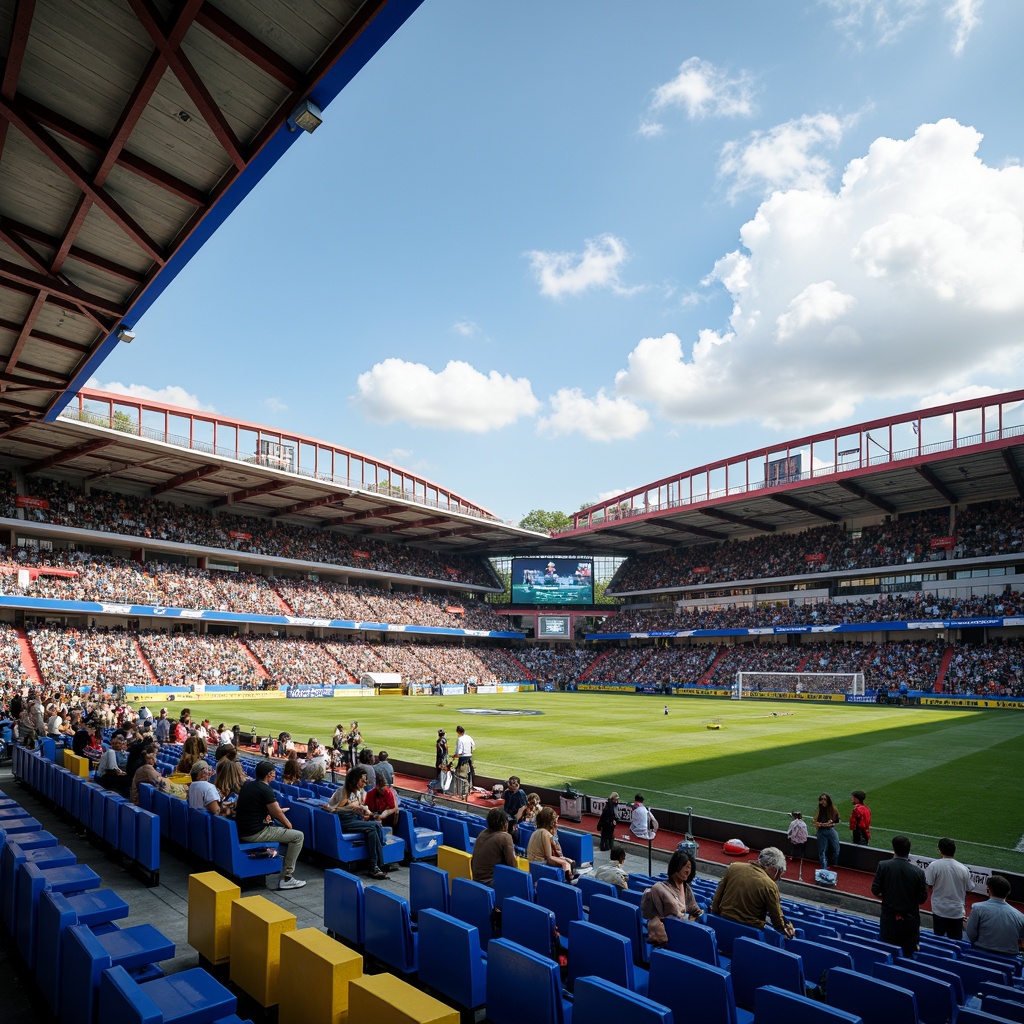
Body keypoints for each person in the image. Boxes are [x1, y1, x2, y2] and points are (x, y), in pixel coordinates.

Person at [235, 760, 306, 889]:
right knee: (298, 836)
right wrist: (289, 826)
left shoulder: (248, 785)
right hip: (255, 832)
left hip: (244, 830)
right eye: (273, 773)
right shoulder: (265, 789)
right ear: (269, 774)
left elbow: (262, 807)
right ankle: (287, 877)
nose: (274, 775)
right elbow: (277, 813)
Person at [712, 846, 796, 938]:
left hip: (722, 925)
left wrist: (715, 917)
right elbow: (776, 919)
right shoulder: (770, 885)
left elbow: (717, 898)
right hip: (749, 934)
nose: (777, 878)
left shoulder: (734, 867)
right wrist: (786, 932)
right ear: (776, 869)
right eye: (779, 875)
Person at [325, 766, 391, 879]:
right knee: (375, 826)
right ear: (355, 780)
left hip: (354, 820)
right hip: (343, 822)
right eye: (362, 780)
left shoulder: (359, 792)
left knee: (373, 829)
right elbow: (334, 809)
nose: (365, 782)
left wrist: (362, 811)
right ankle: (378, 863)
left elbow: (359, 809)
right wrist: (352, 808)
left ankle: (375, 865)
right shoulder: (343, 792)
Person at [871, 835, 927, 956]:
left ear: (894, 849)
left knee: (887, 951)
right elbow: (922, 898)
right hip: (910, 922)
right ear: (908, 851)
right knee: (908, 954)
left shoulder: (883, 865)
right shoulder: (919, 872)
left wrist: (889, 896)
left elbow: (875, 890)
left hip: (889, 919)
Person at [642, 849, 703, 945]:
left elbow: (695, 911)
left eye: (690, 868)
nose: (688, 871)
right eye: (685, 867)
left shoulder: (687, 889)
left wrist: (692, 918)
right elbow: (657, 917)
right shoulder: (659, 888)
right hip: (667, 937)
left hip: (685, 932)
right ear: (676, 866)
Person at [965, 874, 1024, 956]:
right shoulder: (1020, 916)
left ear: (988, 890)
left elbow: (971, 935)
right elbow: (1020, 941)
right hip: (1010, 960)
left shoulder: (977, 908)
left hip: (981, 954)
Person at [925, 837, 971, 939]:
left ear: (940, 850)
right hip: (956, 910)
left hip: (939, 909)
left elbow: (929, 882)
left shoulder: (934, 865)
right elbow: (970, 887)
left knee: (939, 939)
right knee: (955, 940)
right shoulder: (963, 868)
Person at [471, 806, 517, 886]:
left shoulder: (482, 833)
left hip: (475, 880)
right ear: (503, 824)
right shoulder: (505, 837)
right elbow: (513, 866)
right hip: (490, 883)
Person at [526, 807, 575, 878]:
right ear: (551, 822)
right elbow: (549, 858)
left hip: (532, 864)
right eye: (555, 821)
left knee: (568, 861)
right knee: (567, 863)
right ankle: (569, 878)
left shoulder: (536, 832)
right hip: (539, 864)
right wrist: (563, 862)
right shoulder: (546, 834)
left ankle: (569, 874)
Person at [814, 793, 841, 870]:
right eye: (821, 799)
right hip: (821, 831)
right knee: (822, 852)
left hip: (831, 830)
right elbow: (815, 822)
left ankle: (833, 865)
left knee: (836, 850)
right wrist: (821, 824)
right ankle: (824, 868)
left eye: (824, 799)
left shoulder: (833, 810)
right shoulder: (819, 810)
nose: (823, 801)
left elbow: (837, 820)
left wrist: (831, 823)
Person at [502, 776, 527, 840]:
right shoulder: (507, 792)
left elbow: (523, 807)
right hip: (508, 816)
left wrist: (517, 819)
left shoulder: (520, 793)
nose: (510, 785)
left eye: (513, 783)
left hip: (514, 818)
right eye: (510, 783)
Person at [454, 725, 475, 799]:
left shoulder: (460, 739)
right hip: (470, 757)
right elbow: (473, 746)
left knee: (461, 775)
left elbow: (459, 751)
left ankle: (463, 793)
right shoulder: (469, 737)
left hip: (463, 758)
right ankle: (466, 791)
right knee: (469, 773)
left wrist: (455, 756)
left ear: (459, 732)